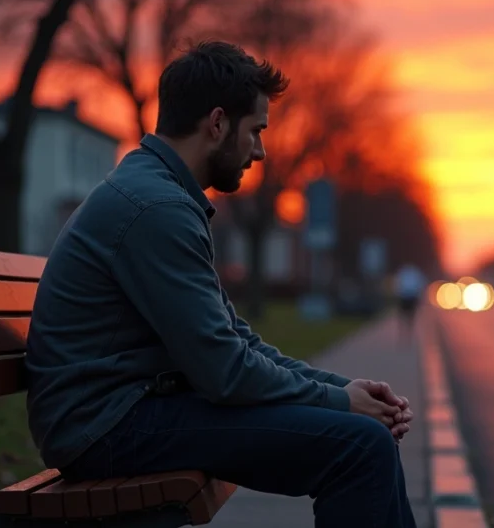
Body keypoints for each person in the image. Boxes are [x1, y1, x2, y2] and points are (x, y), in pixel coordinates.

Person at [25, 41, 416, 528]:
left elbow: (234, 340)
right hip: (105, 427)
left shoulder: (160, 194)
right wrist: (340, 403)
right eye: (255, 131)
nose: (260, 150)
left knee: (361, 438)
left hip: (123, 411)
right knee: (360, 447)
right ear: (216, 124)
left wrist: (344, 389)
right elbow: (225, 373)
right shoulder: (157, 209)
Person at [394, 264, 426, 340]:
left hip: (408, 297)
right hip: (407, 297)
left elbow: (398, 284)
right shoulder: (413, 272)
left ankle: (406, 332)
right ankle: (406, 332)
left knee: (408, 316)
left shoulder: (405, 272)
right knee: (407, 316)